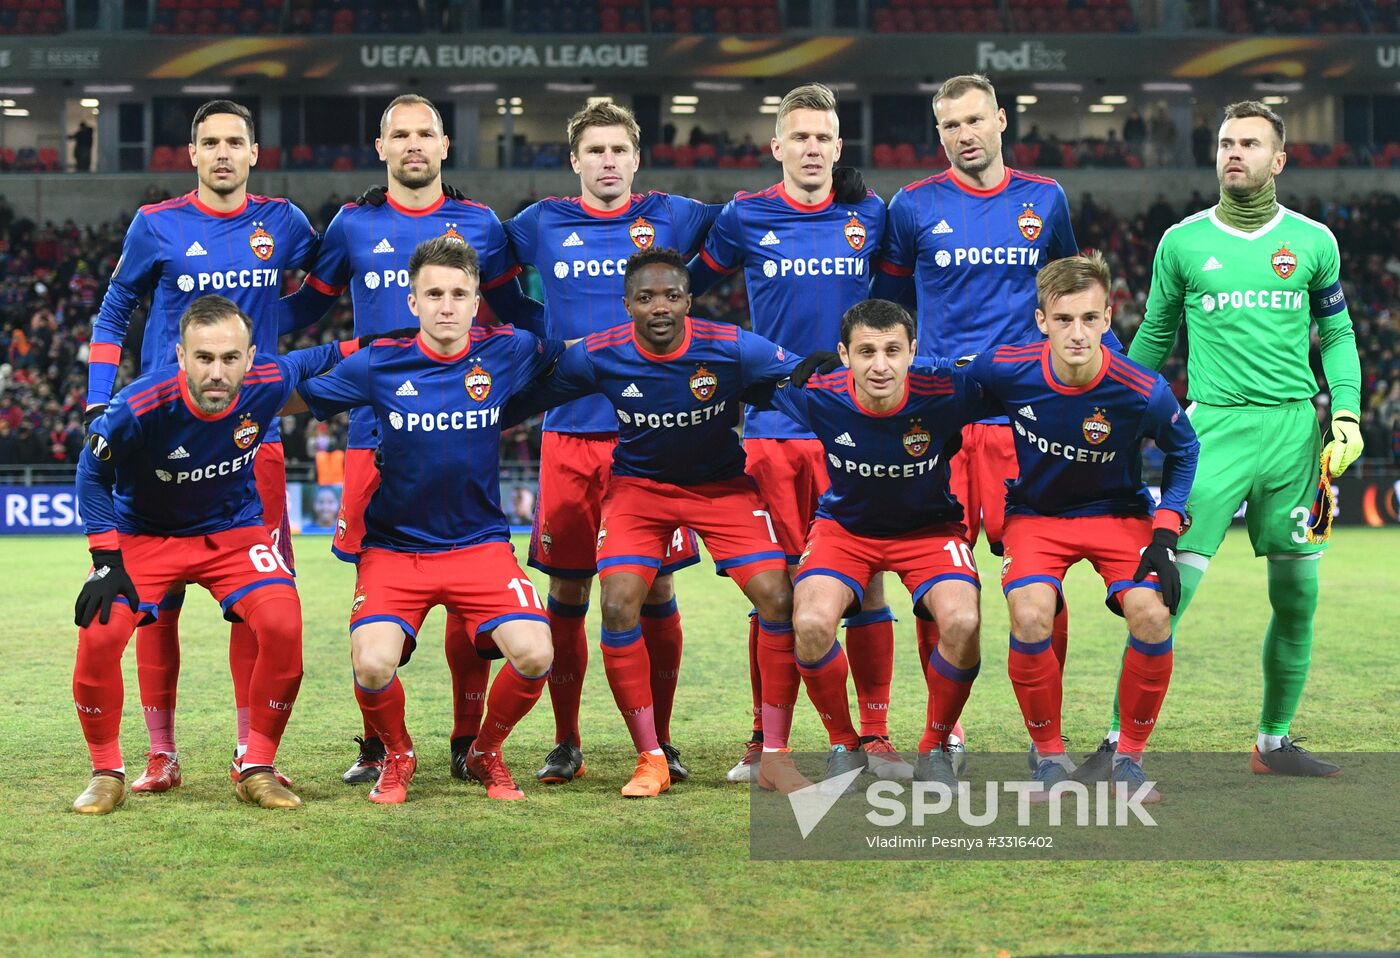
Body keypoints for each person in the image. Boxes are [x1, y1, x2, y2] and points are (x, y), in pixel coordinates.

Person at [280, 93, 543, 786]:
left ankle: (466, 737)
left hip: (460, 408)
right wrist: (230, 330)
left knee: (468, 597)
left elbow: (516, 311)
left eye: (426, 133)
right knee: (373, 581)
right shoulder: (352, 222)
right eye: (402, 134)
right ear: (382, 146)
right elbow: (308, 305)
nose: (415, 145)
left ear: (446, 146)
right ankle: (377, 744)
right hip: (372, 427)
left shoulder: (483, 224)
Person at [503, 248, 812, 798]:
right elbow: (529, 398)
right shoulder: (601, 354)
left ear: (690, 301)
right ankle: (650, 758)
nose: (660, 307)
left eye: (671, 295)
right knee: (618, 602)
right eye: (646, 297)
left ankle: (776, 755)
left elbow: (804, 383)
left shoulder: (731, 347)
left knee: (779, 599)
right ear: (627, 305)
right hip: (639, 492)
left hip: (721, 489)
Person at [873, 73, 1114, 763]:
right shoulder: (912, 205)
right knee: (932, 577)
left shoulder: (1045, 199)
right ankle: (945, 731)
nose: (964, 135)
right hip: (940, 417)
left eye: (975, 120)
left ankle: (1048, 736)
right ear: (938, 132)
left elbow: (1076, 298)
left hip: (1024, 419)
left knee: (1038, 578)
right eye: (950, 125)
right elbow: (887, 309)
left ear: (1002, 120)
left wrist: (1115, 372)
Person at [85, 100, 320, 795]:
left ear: (255, 154)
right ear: (191, 155)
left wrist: (269, 342)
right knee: (154, 604)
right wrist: (101, 398)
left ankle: (253, 751)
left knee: (257, 598)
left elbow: (323, 286)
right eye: (209, 142)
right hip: (160, 433)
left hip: (252, 436)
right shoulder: (157, 223)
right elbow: (113, 308)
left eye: (235, 142)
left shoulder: (284, 223)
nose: (222, 153)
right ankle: (162, 753)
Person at [1123, 100, 1363, 776]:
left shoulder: (1313, 241)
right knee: (1165, 595)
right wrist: (1119, 416)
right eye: (1226, 142)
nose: (1234, 152)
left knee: (1297, 598)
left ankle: (1273, 742)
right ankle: (1120, 746)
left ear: (1278, 160)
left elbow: (1338, 335)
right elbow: (1154, 338)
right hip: (1211, 433)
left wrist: (1344, 413)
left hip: (1294, 435)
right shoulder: (1182, 242)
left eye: (1250, 144)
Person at [687, 82, 905, 782]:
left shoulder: (869, 213)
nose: (811, 148)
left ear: (838, 149)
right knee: (775, 589)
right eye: (799, 137)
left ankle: (873, 738)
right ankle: (765, 740)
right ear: (776, 147)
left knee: (867, 582)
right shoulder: (744, 215)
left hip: (858, 428)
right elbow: (685, 290)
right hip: (776, 429)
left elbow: (905, 296)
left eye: (824, 138)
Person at [70, 294, 356, 814]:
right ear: (180, 356)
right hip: (145, 536)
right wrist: (107, 558)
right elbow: (91, 473)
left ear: (251, 358)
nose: (217, 372)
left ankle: (257, 766)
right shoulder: (138, 407)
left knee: (283, 625)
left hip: (232, 533)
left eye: (230, 358)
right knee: (98, 634)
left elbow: (323, 355)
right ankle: (106, 771)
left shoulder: (267, 380)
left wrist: (392, 342)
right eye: (204, 358)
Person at [502, 101, 713, 785]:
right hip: (569, 436)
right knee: (568, 590)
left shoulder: (675, 215)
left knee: (652, 592)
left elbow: (743, 229)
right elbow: (485, 270)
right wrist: (547, 335)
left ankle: (663, 740)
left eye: (619, 149)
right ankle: (566, 741)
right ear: (575, 161)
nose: (608, 162)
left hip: (653, 438)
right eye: (595, 151)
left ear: (636, 156)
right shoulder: (540, 223)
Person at [959, 253, 1198, 800]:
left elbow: (1185, 450)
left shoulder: (1141, 388)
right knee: (1031, 614)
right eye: (1064, 319)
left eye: (1089, 319)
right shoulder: (1007, 368)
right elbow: (945, 396)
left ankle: (1129, 763)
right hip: (1038, 518)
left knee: (1153, 617)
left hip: (1118, 514)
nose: (1077, 332)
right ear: (1042, 320)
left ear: (1108, 317)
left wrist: (1164, 530)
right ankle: (1049, 759)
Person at [757, 300, 990, 787]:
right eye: (865, 352)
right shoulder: (817, 394)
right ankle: (844, 745)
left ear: (913, 353)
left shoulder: (947, 390)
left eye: (892, 351)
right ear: (843, 354)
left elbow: (1023, 376)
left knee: (963, 620)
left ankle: (935, 745)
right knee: (811, 621)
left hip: (929, 530)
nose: (879, 365)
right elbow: (740, 370)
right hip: (846, 530)